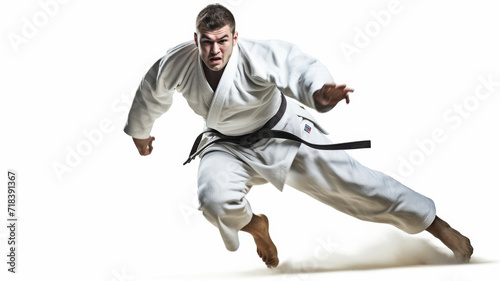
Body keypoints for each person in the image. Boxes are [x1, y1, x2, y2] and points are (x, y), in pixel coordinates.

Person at [124, 4, 473, 268]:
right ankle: (257, 227)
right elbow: (151, 93)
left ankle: (436, 225)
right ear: (195, 40)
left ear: (235, 37)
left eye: (222, 41)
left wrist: (319, 93)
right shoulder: (177, 62)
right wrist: (141, 132)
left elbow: (299, 68)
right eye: (206, 43)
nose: (214, 51)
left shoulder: (259, 55)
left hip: (282, 134)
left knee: (358, 184)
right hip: (226, 145)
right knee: (213, 199)